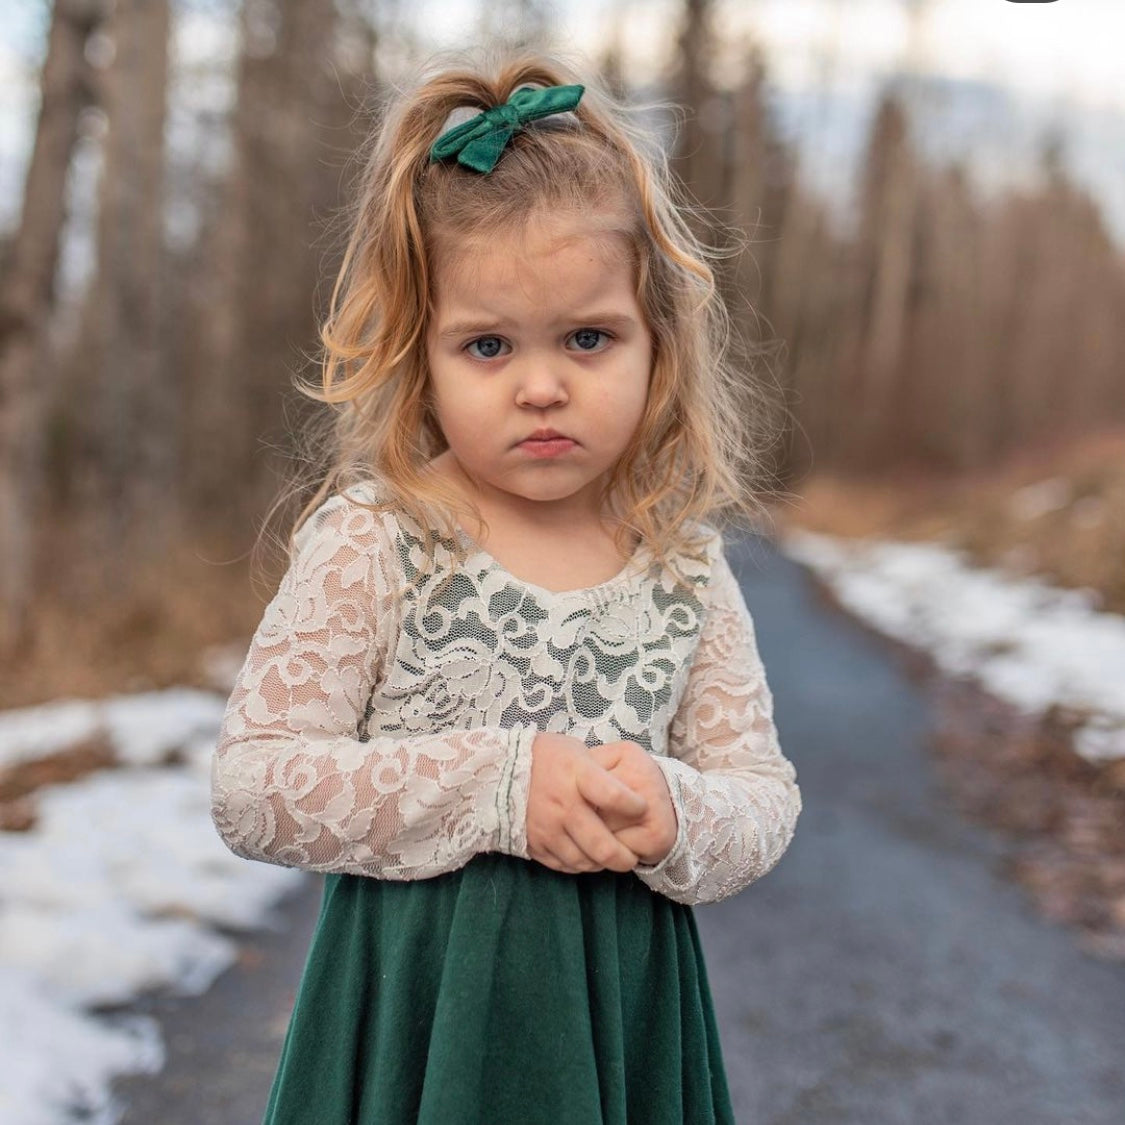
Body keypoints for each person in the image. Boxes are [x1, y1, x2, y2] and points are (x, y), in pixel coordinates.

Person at [210, 44, 803, 1125]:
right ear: (419, 355)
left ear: (658, 346)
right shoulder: (381, 537)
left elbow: (762, 799)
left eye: (589, 337)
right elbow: (255, 787)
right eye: (487, 345)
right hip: (414, 1025)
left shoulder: (681, 567)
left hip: (616, 1026)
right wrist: (497, 783)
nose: (541, 385)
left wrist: (673, 812)